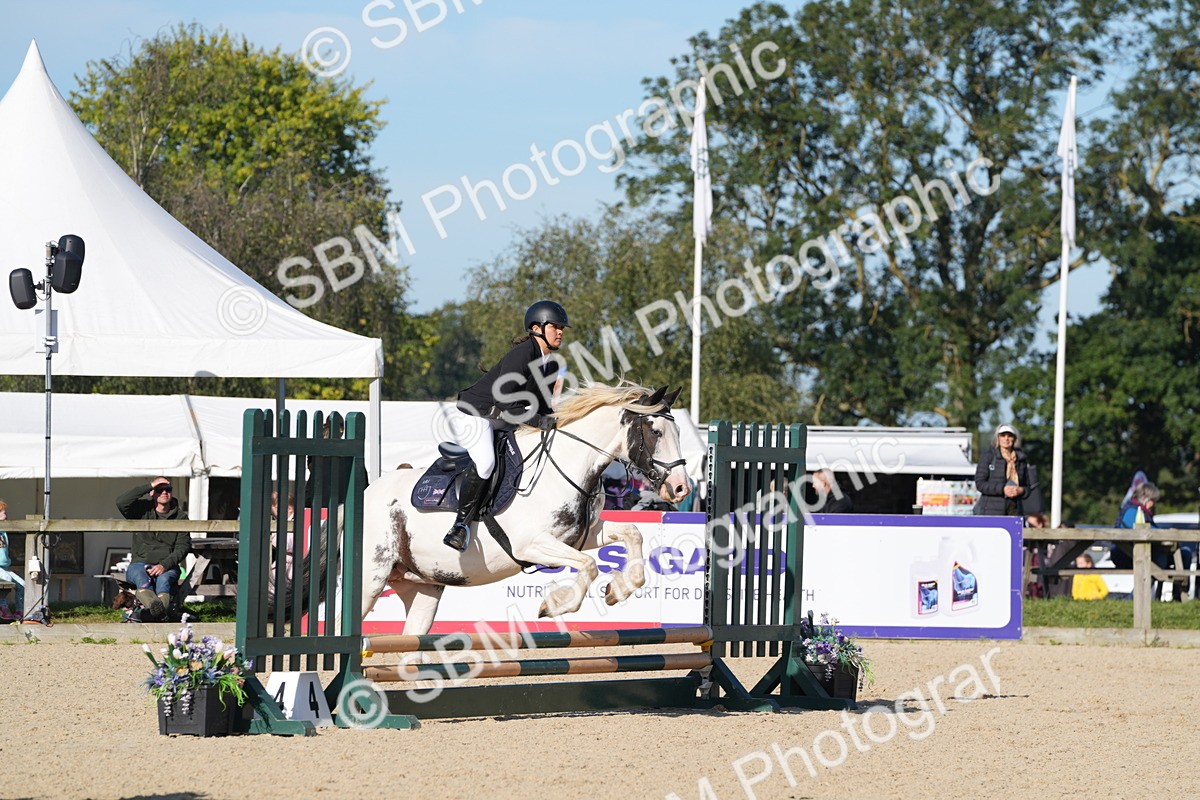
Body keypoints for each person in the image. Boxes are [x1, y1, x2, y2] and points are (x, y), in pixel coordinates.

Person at [443, 300, 568, 551]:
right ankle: (460, 525)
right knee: (486, 461)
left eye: (562, 327)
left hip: (503, 418)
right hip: (477, 415)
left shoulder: (550, 364)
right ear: (537, 328)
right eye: (556, 326)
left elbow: (543, 406)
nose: (561, 331)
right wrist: (537, 421)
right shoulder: (522, 354)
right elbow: (504, 399)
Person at [116, 477, 189, 621]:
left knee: (164, 580)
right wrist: (148, 485)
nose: (164, 492)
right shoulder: (141, 510)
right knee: (140, 577)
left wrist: (164, 565)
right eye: (159, 489)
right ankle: (159, 612)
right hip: (139, 563)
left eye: (167, 489)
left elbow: (183, 547)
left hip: (167, 565)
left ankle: (150, 613)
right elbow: (121, 502)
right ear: (152, 492)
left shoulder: (181, 517)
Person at [1116, 481, 1179, 601]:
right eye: (1153, 500)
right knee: (1160, 559)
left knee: (1183, 554)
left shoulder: (1143, 512)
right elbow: (1141, 529)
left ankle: (1177, 597)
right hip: (1126, 553)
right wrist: (1166, 534)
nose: (1154, 504)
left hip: (1142, 553)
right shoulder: (1131, 511)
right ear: (1145, 498)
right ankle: (1134, 598)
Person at [973, 423, 1035, 516]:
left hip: (1015, 510)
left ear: (1014, 439)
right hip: (991, 511)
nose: (1006, 438)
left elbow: (1028, 487)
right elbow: (980, 483)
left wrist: (1020, 490)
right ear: (998, 438)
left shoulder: (1021, 460)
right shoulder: (988, 457)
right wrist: (1003, 489)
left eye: (1010, 436)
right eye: (1003, 435)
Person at [0, 500, 25, 620]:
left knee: (22, 585)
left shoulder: (4, 531)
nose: (6, 515)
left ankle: (20, 611)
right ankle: (2, 607)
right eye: (3, 512)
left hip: (4, 566)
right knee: (6, 579)